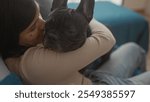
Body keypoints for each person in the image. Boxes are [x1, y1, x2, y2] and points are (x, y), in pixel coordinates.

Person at [0, 0, 115, 84]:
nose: (43, 25)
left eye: (39, 14)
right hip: (96, 83)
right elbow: (107, 39)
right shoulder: (35, 63)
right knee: (132, 49)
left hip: (85, 73)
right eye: (32, 28)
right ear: (12, 37)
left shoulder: (20, 52)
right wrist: (83, 17)